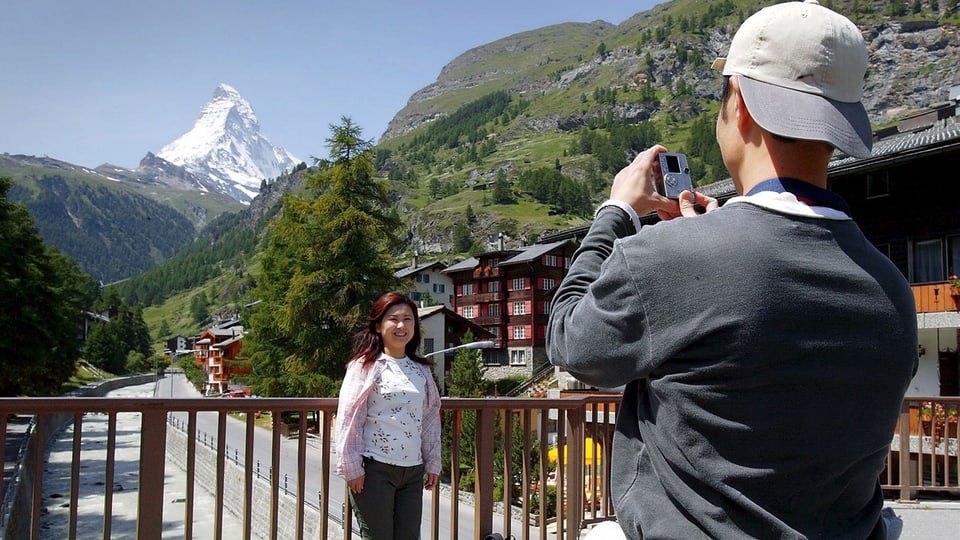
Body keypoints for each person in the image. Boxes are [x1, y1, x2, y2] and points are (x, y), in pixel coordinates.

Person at [546, 1, 917, 539]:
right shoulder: (892, 288)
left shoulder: (672, 258)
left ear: (738, 103)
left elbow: (569, 343)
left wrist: (616, 214)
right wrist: (704, 241)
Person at [334, 292, 441, 540]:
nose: (401, 325)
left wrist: (432, 461)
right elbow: (349, 417)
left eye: (408, 319)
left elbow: (429, 418)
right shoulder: (365, 366)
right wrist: (352, 468)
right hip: (375, 470)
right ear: (379, 325)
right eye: (393, 319)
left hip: (412, 472)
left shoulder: (421, 369)